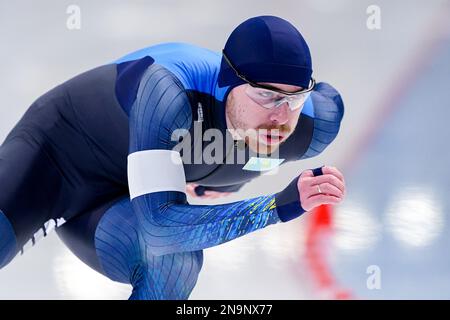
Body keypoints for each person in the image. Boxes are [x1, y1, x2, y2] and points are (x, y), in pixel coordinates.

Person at [0, 15, 345, 299]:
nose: (280, 116)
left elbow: (324, 103)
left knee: (173, 264)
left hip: (114, 205)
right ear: (227, 83)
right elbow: (161, 228)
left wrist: (236, 177)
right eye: (265, 96)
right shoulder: (170, 93)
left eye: (295, 99)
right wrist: (275, 206)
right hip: (55, 161)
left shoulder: (315, 126)